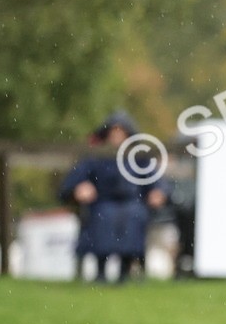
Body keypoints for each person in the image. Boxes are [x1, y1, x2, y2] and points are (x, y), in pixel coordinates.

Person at [59, 111, 167, 282]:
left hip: (132, 203)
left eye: (121, 131)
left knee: (132, 216)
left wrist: (158, 191)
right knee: (104, 216)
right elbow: (75, 179)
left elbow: (155, 180)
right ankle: (101, 270)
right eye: (113, 131)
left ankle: (124, 271)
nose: (117, 136)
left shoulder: (138, 157)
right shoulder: (95, 156)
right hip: (102, 202)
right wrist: (79, 187)